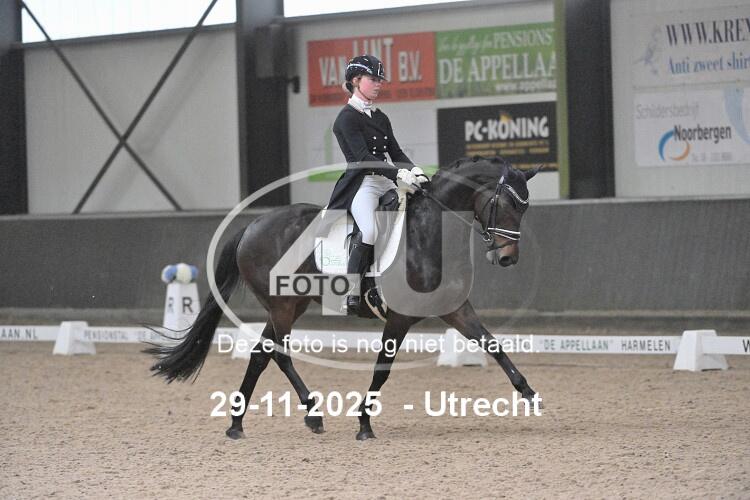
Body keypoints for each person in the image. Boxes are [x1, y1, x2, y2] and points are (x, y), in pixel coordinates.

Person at [326, 54, 422, 315]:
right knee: (368, 230)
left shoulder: (380, 117)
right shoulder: (346, 118)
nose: (379, 84)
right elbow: (363, 157)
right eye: (373, 79)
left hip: (387, 180)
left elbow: (396, 152)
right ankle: (351, 290)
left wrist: (415, 170)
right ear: (356, 81)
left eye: (380, 80)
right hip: (363, 184)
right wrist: (397, 174)